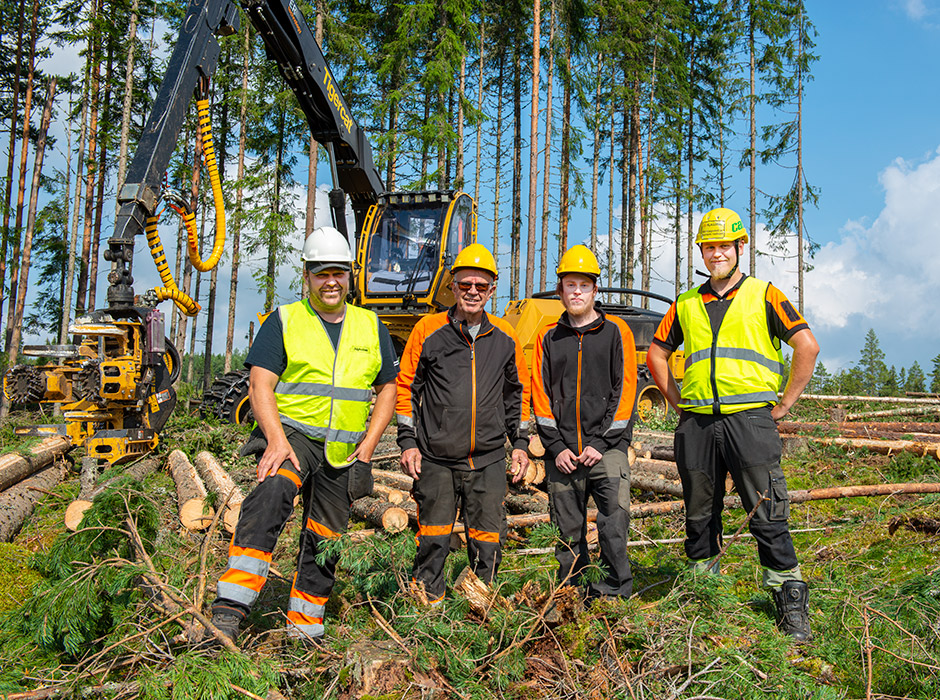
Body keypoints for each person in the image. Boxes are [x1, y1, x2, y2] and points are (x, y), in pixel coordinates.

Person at [210, 226, 398, 645]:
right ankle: (228, 610)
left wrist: (367, 447)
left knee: (327, 535)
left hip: (343, 449)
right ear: (307, 276)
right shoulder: (286, 320)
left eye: (338, 272)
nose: (331, 281)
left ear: (350, 275)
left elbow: (388, 387)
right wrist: (276, 440)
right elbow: (260, 383)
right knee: (273, 492)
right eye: (321, 273)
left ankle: (306, 627)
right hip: (293, 436)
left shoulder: (371, 326)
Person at [646, 207, 819, 642]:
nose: (717, 253)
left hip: (750, 421)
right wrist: (677, 401)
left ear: (740, 247)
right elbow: (655, 355)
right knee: (700, 514)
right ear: (701, 252)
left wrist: (784, 404)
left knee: (767, 510)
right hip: (698, 424)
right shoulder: (686, 303)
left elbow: (807, 346)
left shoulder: (764, 294)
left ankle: (789, 603)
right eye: (709, 247)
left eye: (725, 245)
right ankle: (706, 598)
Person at [396, 243, 530, 604]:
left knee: (488, 539)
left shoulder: (505, 337)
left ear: (491, 290)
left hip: (487, 459)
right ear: (453, 287)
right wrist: (407, 440)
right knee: (433, 539)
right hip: (436, 458)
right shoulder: (428, 330)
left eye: (481, 286)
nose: (473, 292)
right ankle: (428, 612)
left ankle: (480, 611)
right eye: (465, 284)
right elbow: (406, 387)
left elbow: (518, 394)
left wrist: (520, 444)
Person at [531, 245, 638, 600]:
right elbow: (540, 396)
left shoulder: (616, 331)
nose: (576, 292)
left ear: (595, 290)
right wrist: (557, 447)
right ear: (560, 290)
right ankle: (572, 593)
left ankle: (613, 592)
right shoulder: (548, 336)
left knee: (613, 523)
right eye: (569, 285)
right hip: (562, 454)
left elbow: (625, 395)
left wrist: (601, 443)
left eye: (583, 285)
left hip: (606, 450)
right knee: (566, 529)